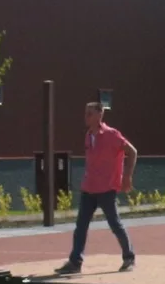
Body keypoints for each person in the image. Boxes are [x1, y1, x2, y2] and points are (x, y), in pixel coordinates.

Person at [56, 102, 137, 274]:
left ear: (100, 115)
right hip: (89, 189)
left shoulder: (112, 135)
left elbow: (133, 152)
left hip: (107, 188)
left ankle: (129, 257)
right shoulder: (88, 136)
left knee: (115, 224)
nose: (86, 117)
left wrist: (127, 176)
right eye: (85, 113)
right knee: (81, 226)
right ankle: (75, 262)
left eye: (90, 114)